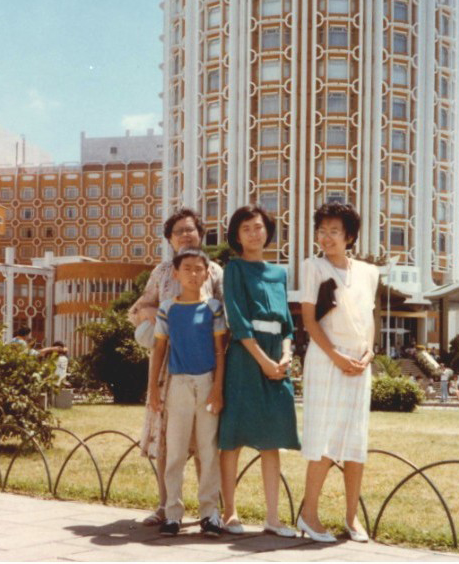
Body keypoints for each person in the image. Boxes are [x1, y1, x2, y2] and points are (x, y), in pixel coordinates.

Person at [128, 207, 223, 527]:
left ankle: (209, 510)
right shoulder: (161, 272)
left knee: (206, 442)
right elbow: (137, 310)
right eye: (178, 231)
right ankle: (167, 507)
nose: (185, 234)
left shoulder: (215, 271)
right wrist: (156, 313)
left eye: (190, 229)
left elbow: (225, 317)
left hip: (207, 367)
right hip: (169, 370)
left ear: (200, 234)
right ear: (169, 239)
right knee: (169, 441)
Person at [299, 202, 378, 543]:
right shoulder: (312, 267)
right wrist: (336, 357)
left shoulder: (368, 272)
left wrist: (369, 352)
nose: (326, 237)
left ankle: (351, 517)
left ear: (349, 236)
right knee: (324, 438)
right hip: (326, 361)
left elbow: (369, 317)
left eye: (334, 231)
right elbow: (309, 321)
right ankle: (309, 515)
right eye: (322, 231)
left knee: (355, 441)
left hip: (359, 363)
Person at [219, 205, 300, 537]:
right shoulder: (234, 270)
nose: (254, 233)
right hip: (245, 357)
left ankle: (273, 517)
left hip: (275, 357)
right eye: (246, 229)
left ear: (268, 230)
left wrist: (284, 355)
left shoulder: (280, 273)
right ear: (237, 237)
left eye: (258, 227)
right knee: (233, 437)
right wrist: (262, 361)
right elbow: (237, 321)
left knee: (273, 439)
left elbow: (288, 326)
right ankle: (229, 513)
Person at [148, 248, 226, 537]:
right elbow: (159, 350)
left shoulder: (214, 308)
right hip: (178, 384)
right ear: (176, 273)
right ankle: (172, 513)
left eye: (199, 269)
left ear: (207, 273)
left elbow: (220, 351)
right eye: (187, 268)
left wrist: (217, 388)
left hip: (206, 383)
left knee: (208, 450)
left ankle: (209, 512)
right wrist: (154, 391)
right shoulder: (168, 308)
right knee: (176, 451)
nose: (193, 274)